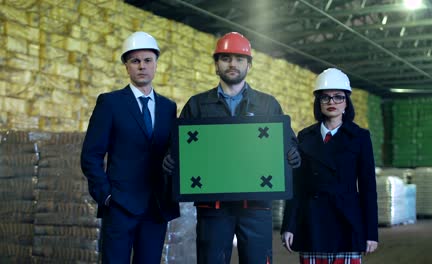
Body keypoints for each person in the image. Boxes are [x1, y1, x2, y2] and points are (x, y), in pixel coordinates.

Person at [163, 32, 301, 264]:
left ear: (249, 65)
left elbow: (288, 141)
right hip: (213, 209)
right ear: (216, 65)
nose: (233, 64)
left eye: (239, 59)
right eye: (226, 58)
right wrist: (170, 158)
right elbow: (178, 146)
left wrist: (293, 154)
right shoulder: (197, 105)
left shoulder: (268, 104)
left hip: (256, 208)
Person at [81, 31, 179, 263]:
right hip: (120, 206)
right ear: (126, 66)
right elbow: (91, 155)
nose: (142, 66)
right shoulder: (110, 103)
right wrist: (105, 196)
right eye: (135, 61)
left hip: (156, 207)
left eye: (147, 60)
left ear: (156, 65)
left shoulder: (168, 107)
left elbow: (172, 152)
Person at [281, 68, 379, 264]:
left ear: (346, 101)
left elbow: (368, 188)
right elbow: (298, 187)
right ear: (318, 102)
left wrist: (371, 233)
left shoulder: (360, 137)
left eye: (338, 97)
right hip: (312, 222)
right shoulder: (305, 136)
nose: (332, 102)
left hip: (347, 222)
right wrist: (289, 226)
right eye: (325, 98)